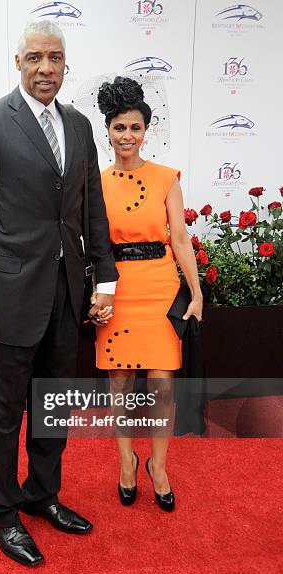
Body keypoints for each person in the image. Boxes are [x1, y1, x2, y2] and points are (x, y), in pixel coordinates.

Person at [0, 20, 118, 567]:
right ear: (19, 63)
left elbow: (91, 207)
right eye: (35, 58)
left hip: (67, 296)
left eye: (56, 58)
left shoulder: (78, 125)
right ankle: (3, 513)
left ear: (65, 64)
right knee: (5, 415)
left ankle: (42, 494)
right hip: (9, 297)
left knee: (53, 407)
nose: (46, 68)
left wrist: (105, 278)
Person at [95, 76, 203, 511]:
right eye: (119, 127)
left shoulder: (165, 178)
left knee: (160, 387)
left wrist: (196, 293)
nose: (127, 136)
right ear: (108, 130)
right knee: (120, 384)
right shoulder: (97, 182)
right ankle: (126, 461)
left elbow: (179, 238)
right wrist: (96, 295)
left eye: (135, 127)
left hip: (160, 289)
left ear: (146, 131)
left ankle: (158, 466)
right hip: (116, 290)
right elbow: (93, 246)